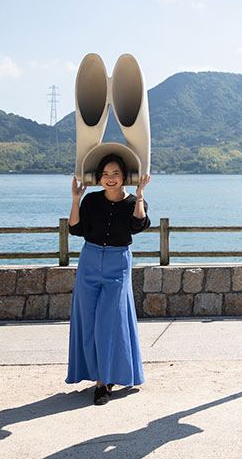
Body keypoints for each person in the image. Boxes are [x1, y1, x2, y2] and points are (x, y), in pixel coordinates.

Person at [67, 154, 151, 404]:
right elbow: (75, 229)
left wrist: (141, 194)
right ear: (99, 178)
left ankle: (104, 382)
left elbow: (139, 225)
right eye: (105, 174)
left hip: (118, 263)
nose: (110, 179)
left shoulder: (134, 202)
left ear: (124, 176)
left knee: (109, 320)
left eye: (115, 174)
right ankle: (94, 374)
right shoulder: (91, 200)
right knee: (88, 320)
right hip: (89, 261)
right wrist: (75, 199)